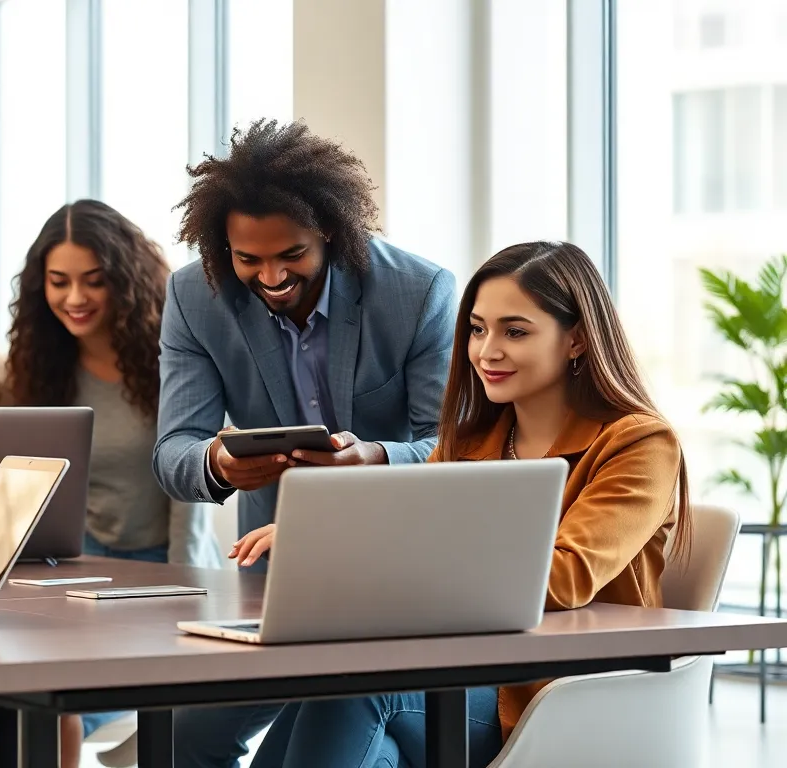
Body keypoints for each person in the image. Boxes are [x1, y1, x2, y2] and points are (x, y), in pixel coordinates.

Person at [239, 241, 692, 768]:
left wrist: (369, 549)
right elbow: (413, 541)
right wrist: (327, 542)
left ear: (577, 339)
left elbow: (564, 579)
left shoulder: (638, 443)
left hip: (567, 693)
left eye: (515, 331)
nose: (486, 351)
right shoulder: (468, 442)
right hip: (467, 674)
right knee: (341, 705)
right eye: (477, 329)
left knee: (358, 690)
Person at [154, 119, 457, 767]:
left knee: (311, 745)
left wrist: (372, 457)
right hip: (277, 581)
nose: (269, 275)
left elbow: (456, 450)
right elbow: (174, 454)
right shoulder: (194, 297)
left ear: (331, 232)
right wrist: (222, 462)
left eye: (291, 255)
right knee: (186, 736)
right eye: (248, 258)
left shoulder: (418, 293)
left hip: (396, 577)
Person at [5, 199, 222, 767]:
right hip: (76, 573)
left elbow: (189, 496)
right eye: (58, 282)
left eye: (93, 281)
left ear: (123, 282)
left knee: (64, 711)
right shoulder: (39, 366)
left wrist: (185, 596)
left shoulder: (167, 358)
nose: (74, 298)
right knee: (16, 698)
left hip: (160, 571)